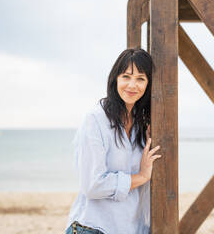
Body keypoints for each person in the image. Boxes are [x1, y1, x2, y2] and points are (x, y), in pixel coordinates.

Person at [65, 48, 162, 234]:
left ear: (148, 84)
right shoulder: (95, 120)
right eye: (126, 76)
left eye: (141, 79)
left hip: (133, 228)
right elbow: (92, 185)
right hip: (93, 228)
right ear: (115, 79)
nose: (132, 85)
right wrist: (141, 176)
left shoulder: (143, 125)